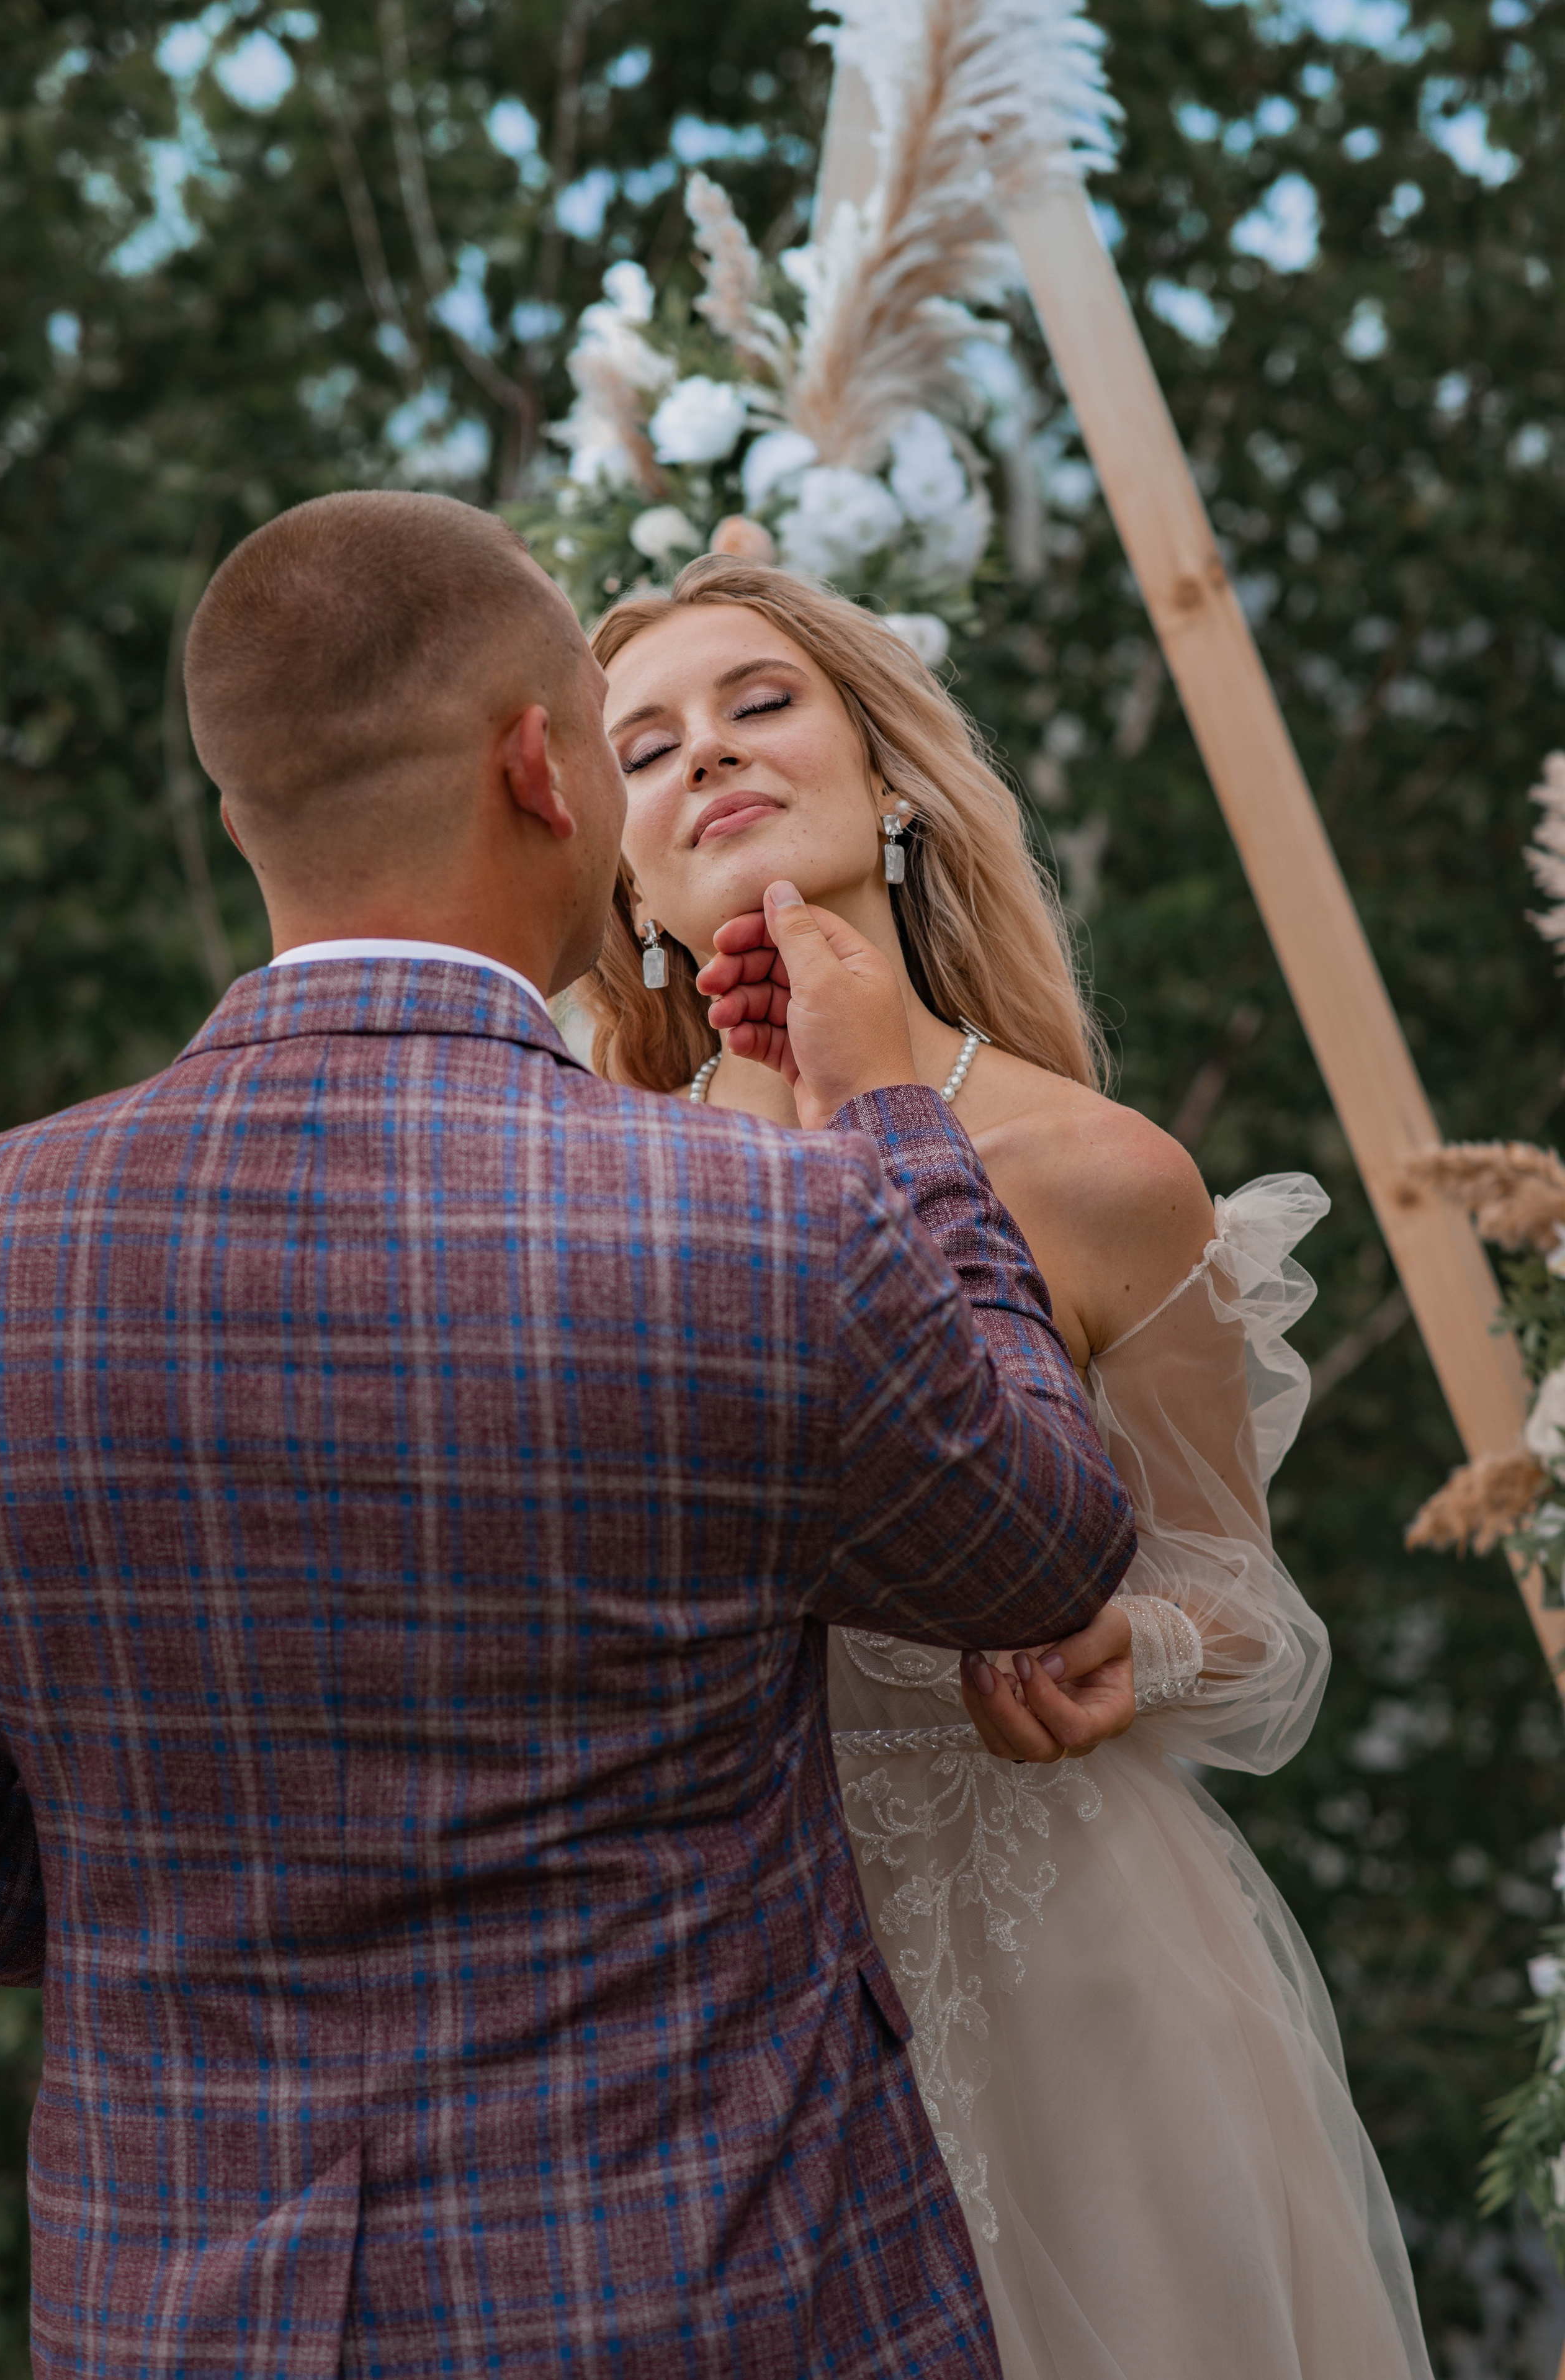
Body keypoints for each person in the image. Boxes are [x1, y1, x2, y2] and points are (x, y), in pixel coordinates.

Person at [0, 492, 1138, 2380]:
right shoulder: (758, 1217)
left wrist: (177, 1887)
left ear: (242, 813)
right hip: (716, 2299)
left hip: (179, 2318)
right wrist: (895, 1138)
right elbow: (1048, 1541)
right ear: (545, 768)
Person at [583, 553, 1435, 2380]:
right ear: (624, 874)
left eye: (758, 702)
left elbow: (1240, 1596)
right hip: (736, 2006)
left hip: (1083, 1982)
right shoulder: (586, 1195)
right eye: (642, 748)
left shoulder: (1103, 1168)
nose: (709, 757)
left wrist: (1140, 1652)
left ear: (887, 780)